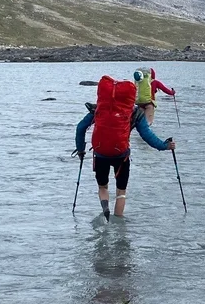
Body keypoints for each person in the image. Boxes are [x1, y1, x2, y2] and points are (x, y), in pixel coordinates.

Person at [75, 75, 175, 219]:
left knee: (103, 187)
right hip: (121, 155)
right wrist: (165, 146)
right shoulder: (135, 113)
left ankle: (105, 208)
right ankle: (119, 227)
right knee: (121, 192)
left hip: (100, 153)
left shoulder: (99, 109)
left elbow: (80, 128)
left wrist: (80, 150)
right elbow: (148, 136)